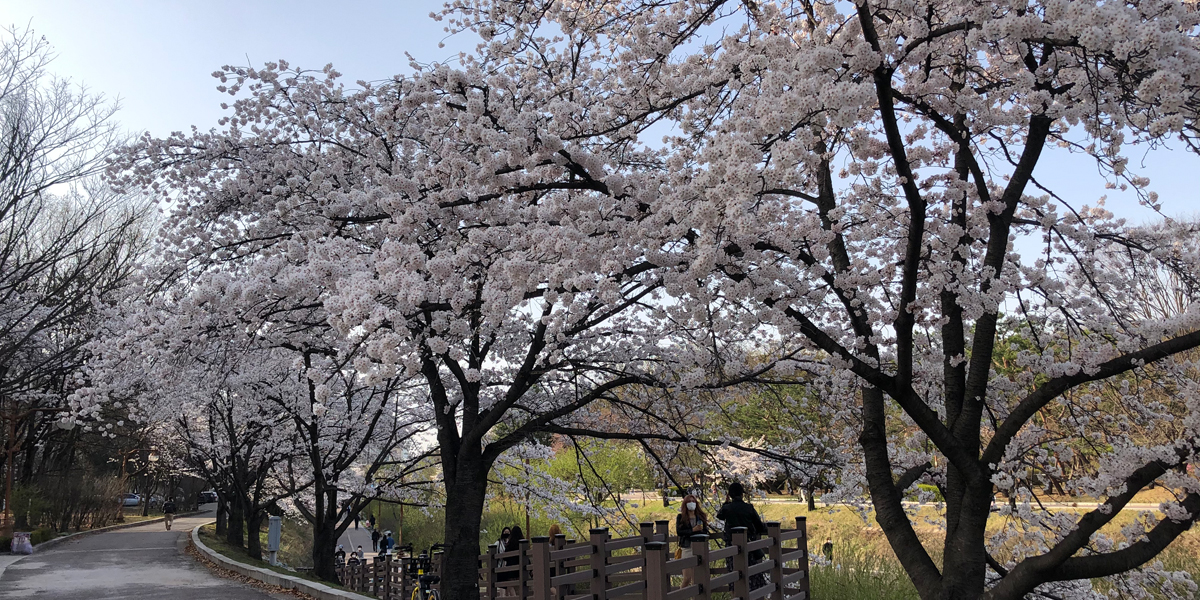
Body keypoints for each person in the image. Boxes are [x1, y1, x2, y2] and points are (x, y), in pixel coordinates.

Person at [717, 482, 767, 590]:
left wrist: (725, 503)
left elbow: (719, 516)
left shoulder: (727, 508)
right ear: (742, 494)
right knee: (751, 572)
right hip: (748, 542)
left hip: (731, 544)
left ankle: (736, 594)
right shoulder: (748, 508)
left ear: (730, 495)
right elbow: (759, 525)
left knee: (734, 573)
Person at [675, 494, 708, 587]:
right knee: (687, 578)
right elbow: (679, 531)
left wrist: (701, 530)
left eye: (693, 501)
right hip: (687, 547)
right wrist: (692, 530)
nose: (691, 503)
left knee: (697, 578)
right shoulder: (681, 517)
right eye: (689, 502)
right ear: (685, 504)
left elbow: (706, 531)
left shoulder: (700, 516)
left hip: (699, 548)